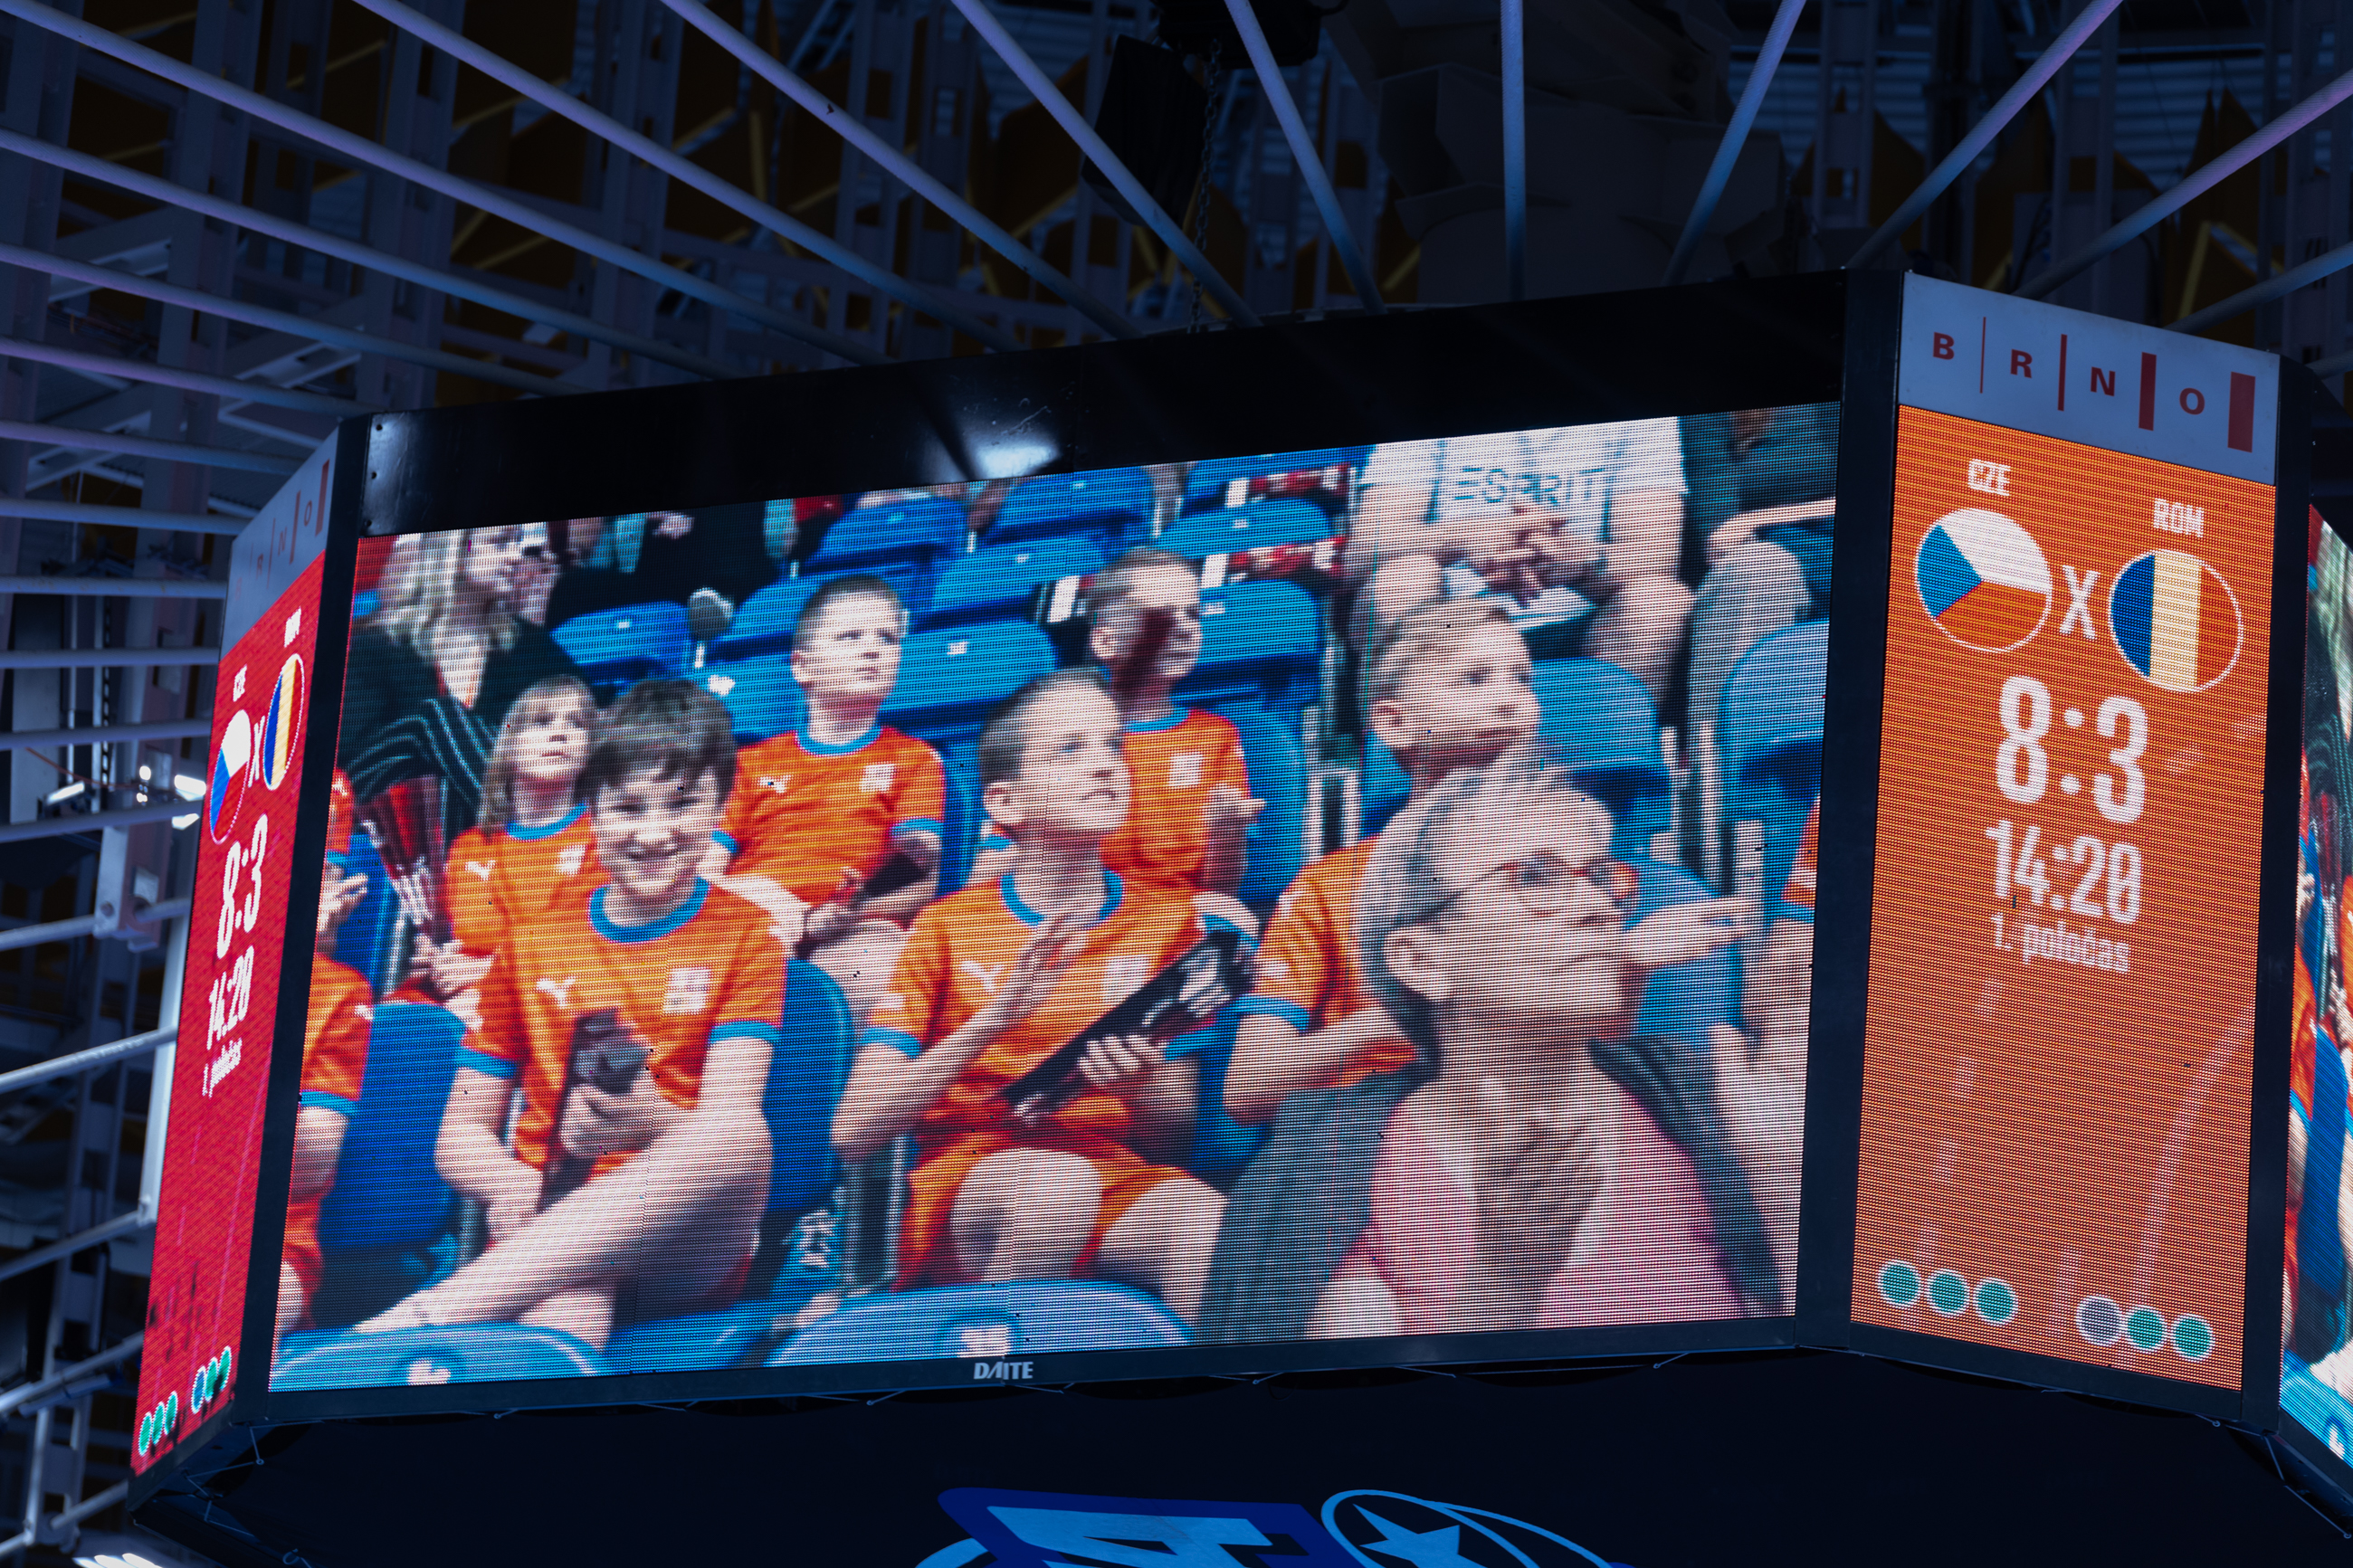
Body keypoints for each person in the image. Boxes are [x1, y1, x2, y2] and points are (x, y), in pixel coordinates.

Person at [1199, 752, 1797, 1342]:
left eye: (1599, 876)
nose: (1596, 907)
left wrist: (1787, 1161)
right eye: (1533, 876)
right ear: (1422, 961)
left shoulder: (1721, 1095)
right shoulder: (1328, 1170)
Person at [358, 680, 784, 1349]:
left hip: (684, 1241)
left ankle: (425, 1316)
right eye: (628, 808)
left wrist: (649, 1120)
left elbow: (729, 1134)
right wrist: (511, 1183)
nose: (653, 833)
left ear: (720, 805)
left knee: (740, 1136)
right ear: (592, 809)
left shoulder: (748, 935)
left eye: (682, 804)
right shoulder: (531, 943)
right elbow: (460, 1132)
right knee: (564, 1326)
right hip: (550, 1211)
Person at [831, 670, 1238, 1323]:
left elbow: (1171, 1137)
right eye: (1070, 749)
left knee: (1212, 1230)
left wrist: (1139, 1085)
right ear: (1007, 803)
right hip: (970, 1175)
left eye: (1112, 745)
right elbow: (855, 1130)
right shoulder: (947, 924)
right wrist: (994, 1019)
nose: (1105, 765)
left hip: (1109, 1168)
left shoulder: (1171, 920)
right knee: (1054, 1192)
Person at [1224, 599, 1538, 1125]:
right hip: (1368, 1131)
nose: (1511, 701)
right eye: (1475, 679)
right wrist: (1409, 1011)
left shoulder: (1581, 867)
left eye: (1523, 680)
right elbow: (1249, 1089)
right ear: (1394, 722)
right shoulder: (1333, 886)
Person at [707, 576, 945, 1022]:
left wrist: (850, 911)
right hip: (750, 914)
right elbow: (706, 868)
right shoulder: (751, 763)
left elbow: (922, 872)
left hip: (850, 928)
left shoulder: (914, 759)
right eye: (850, 636)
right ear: (802, 667)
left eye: (887, 639)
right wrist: (769, 902)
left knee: (882, 966)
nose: (872, 650)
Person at [969, 547, 1257, 899]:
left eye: (1193, 614)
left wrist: (1227, 831)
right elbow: (992, 869)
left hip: (1174, 920)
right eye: (1158, 616)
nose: (1185, 629)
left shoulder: (1214, 736)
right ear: (1106, 640)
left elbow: (1222, 890)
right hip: (1074, 913)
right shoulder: (1053, 734)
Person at [1342, 422, 1691, 703]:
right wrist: (1465, 538)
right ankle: (1394, 756)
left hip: (1582, 621)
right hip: (1448, 621)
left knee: (1659, 601)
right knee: (1401, 581)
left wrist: (1578, 560)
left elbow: (1657, 558)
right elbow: (1362, 552)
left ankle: (1608, 761)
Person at [339, 525, 586, 839]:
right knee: (436, 720)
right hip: (397, 814)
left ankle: (511, 837)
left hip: (495, 806)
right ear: (454, 551)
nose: (516, 556)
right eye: (500, 543)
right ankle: (513, 833)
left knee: (450, 741)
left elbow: (591, 713)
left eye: (518, 544)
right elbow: (353, 766)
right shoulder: (375, 647)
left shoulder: (529, 646)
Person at [423, 675, 601, 1013]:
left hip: (558, 1005)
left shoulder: (602, 838)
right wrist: (435, 961)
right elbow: (461, 943)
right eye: (541, 722)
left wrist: (489, 971)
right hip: (466, 1007)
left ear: (590, 750)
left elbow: (595, 950)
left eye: (577, 724)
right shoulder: (469, 848)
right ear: (510, 745)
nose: (560, 733)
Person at [1681, 405, 1839, 748]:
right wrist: (1755, 527)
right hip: (1775, 553)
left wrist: (1759, 518)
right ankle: (1720, 762)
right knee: (1756, 571)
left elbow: (1882, 494)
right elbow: (1719, 532)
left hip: (1860, 542)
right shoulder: (1712, 414)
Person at [279, 854, 376, 1356]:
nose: (340, 905)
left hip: (278, 1248)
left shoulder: (339, 989)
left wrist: (299, 966)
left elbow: (312, 1162)